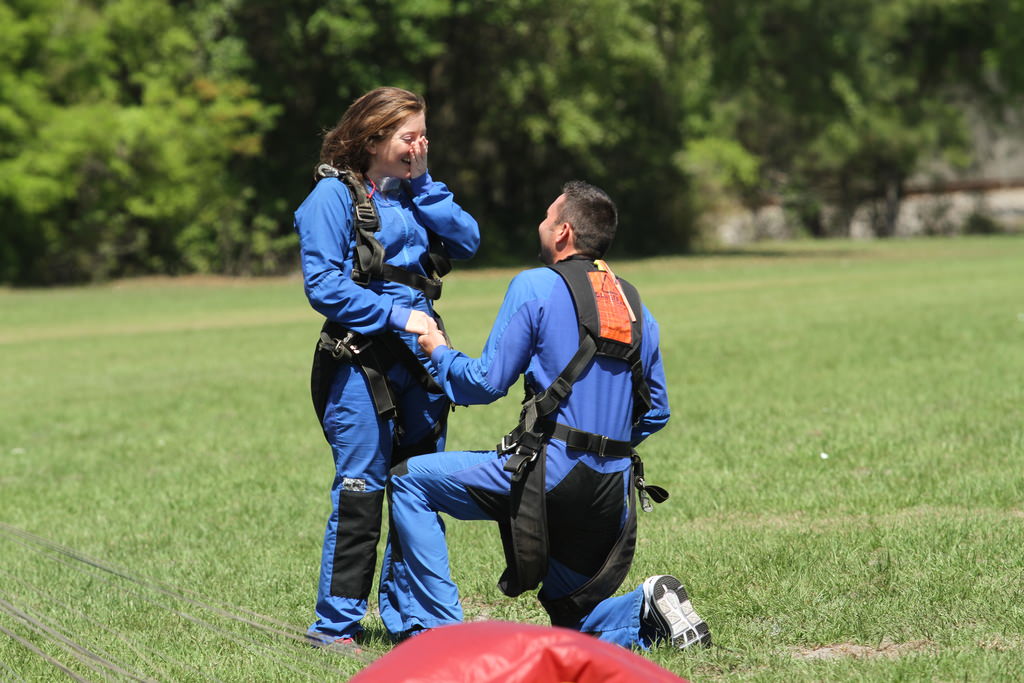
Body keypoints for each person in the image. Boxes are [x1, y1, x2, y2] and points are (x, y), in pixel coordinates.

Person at [378, 181, 710, 650]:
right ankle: (644, 609)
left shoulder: (534, 285)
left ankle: (440, 633)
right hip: (612, 494)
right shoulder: (635, 304)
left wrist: (439, 351)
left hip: (550, 476)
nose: (541, 224)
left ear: (563, 233)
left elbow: (484, 384)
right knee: (570, 622)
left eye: (546, 217)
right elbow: (655, 412)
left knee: (409, 479)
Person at [293, 86, 480, 646]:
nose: (421, 145)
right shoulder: (332, 197)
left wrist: (423, 183)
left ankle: (414, 620)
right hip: (359, 360)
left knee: (417, 485)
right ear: (373, 138)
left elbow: (468, 240)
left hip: (423, 362)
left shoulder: (414, 192)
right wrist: (400, 317)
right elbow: (324, 286)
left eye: (425, 135)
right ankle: (334, 628)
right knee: (362, 487)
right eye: (408, 137)